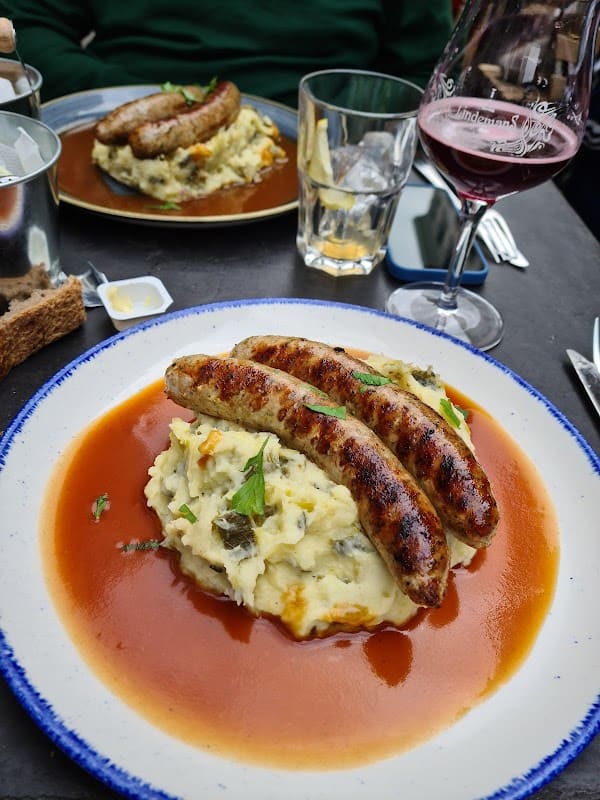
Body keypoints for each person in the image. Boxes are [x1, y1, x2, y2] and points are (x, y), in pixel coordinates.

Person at [3, 0, 453, 107]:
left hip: (329, 187)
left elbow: (423, 74)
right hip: (104, 156)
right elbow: (23, 23)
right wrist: (118, 98)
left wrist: (327, 124)